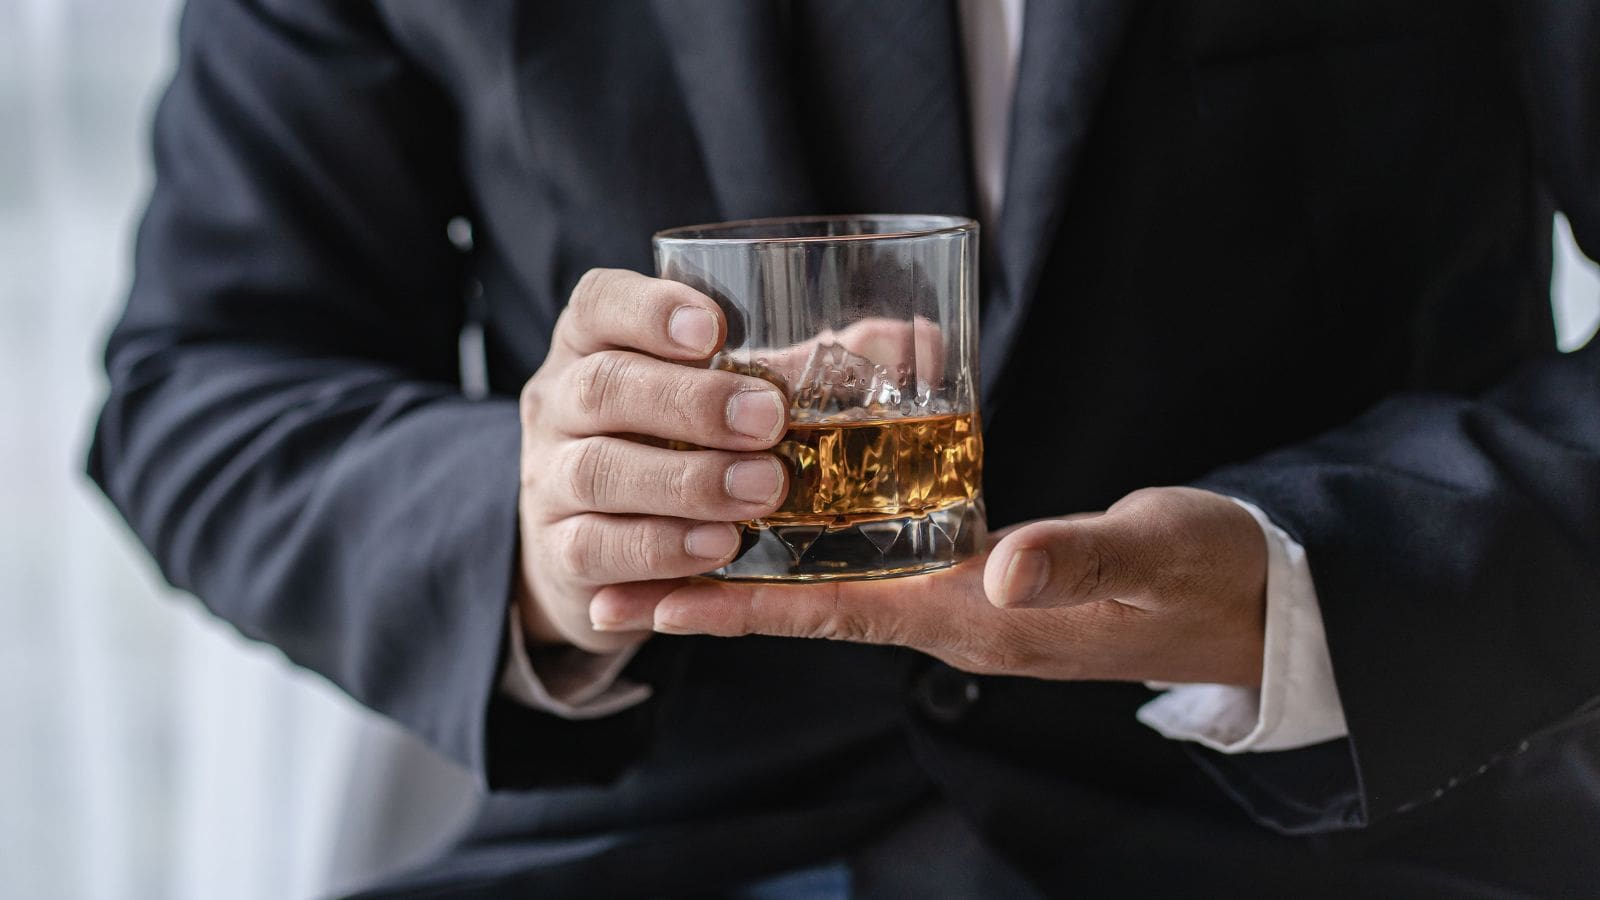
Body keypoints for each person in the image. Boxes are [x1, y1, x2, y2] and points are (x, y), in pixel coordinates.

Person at [88, 0, 1600, 896]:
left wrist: (1312, 582)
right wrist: (543, 531)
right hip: (667, 842)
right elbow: (212, 379)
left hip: (1358, 843)